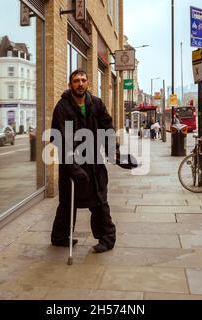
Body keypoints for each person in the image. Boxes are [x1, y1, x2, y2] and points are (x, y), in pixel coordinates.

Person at [50, 70, 138, 254]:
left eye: (83, 80)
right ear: (70, 85)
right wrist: (73, 168)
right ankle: (60, 237)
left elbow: (107, 130)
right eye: (76, 81)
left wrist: (115, 155)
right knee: (67, 202)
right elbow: (60, 139)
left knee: (99, 201)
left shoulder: (96, 104)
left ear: (88, 83)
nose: (80, 84)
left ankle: (107, 239)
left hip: (93, 162)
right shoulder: (62, 107)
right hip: (70, 164)